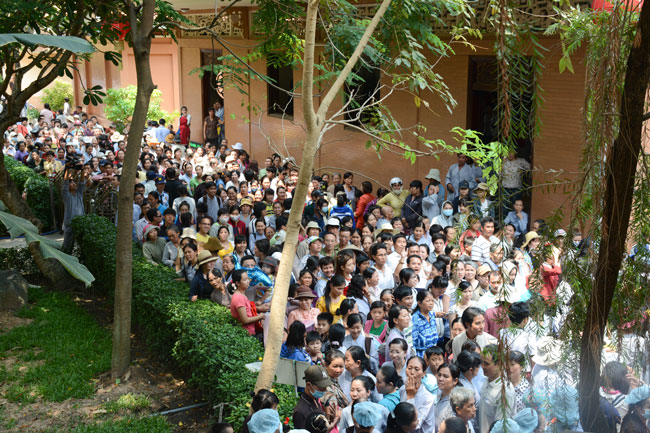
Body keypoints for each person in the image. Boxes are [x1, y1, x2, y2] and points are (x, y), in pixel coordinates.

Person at [479, 344, 516, 433]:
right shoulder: (486, 380)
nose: (482, 366)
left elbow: (500, 428)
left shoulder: (505, 391)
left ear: (499, 364)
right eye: (481, 362)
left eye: (486, 363)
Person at [400, 356, 436, 433]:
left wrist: (410, 397)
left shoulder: (428, 398)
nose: (412, 372)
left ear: (423, 373)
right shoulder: (402, 389)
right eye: (409, 368)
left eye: (416, 369)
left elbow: (415, 425)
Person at [293, 365, 335, 429]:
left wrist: (329, 420)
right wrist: (329, 428)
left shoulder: (316, 400)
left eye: (325, 387)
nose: (325, 390)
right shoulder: (300, 411)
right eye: (321, 387)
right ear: (309, 385)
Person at [230, 269, 265, 337]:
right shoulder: (238, 297)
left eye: (248, 278)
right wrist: (260, 316)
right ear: (237, 283)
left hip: (250, 331)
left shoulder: (242, 294)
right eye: (245, 279)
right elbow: (245, 320)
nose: (248, 281)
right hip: (247, 334)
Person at [61, 167, 87, 253]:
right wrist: (67, 168)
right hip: (69, 223)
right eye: (71, 183)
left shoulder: (79, 194)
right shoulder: (66, 195)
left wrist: (82, 170)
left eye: (74, 182)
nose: (74, 184)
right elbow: (65, 182)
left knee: (82, 244)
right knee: (67, 245)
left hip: (81, 222)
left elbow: (81, 183)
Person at [411, 291, 439, 358]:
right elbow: (413, 341)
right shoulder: (415, 318)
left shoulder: (431, 315)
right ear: (419, 303)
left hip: (433, 355)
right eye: (428, 301)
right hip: (421, 356)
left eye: (432, 300)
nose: (431, 303)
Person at [434, 363, 461, 430]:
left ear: (455, 381)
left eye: (445, 376)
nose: (440, 379)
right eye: (439, 375)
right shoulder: (437, 395)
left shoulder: (455, 403)